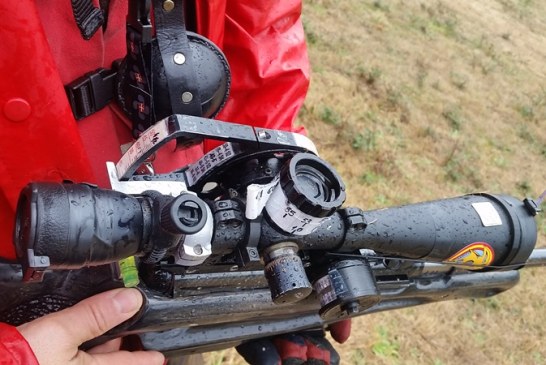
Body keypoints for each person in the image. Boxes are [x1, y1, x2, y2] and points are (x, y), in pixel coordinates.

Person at [0, 1, 349, 363]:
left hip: (182, 232)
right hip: (27, 256)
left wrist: (268, 183)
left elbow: (261, 25)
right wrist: (13, 355)